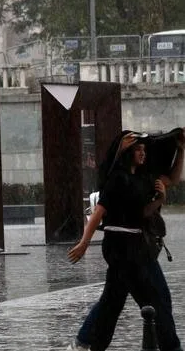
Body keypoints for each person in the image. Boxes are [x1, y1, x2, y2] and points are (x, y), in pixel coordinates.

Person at [68, 131, 184, 351]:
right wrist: (84, 243)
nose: (143, 153)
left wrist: (181, 151)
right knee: (157, 299)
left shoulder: (144, 177)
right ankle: (171, 346)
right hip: (124, 249)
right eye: (138, 149)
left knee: (112, 300)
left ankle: (85, 343)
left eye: (144, 149)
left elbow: (173, 179)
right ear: (128, 152)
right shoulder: (118, 178)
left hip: (137, 248)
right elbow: (99, 213)